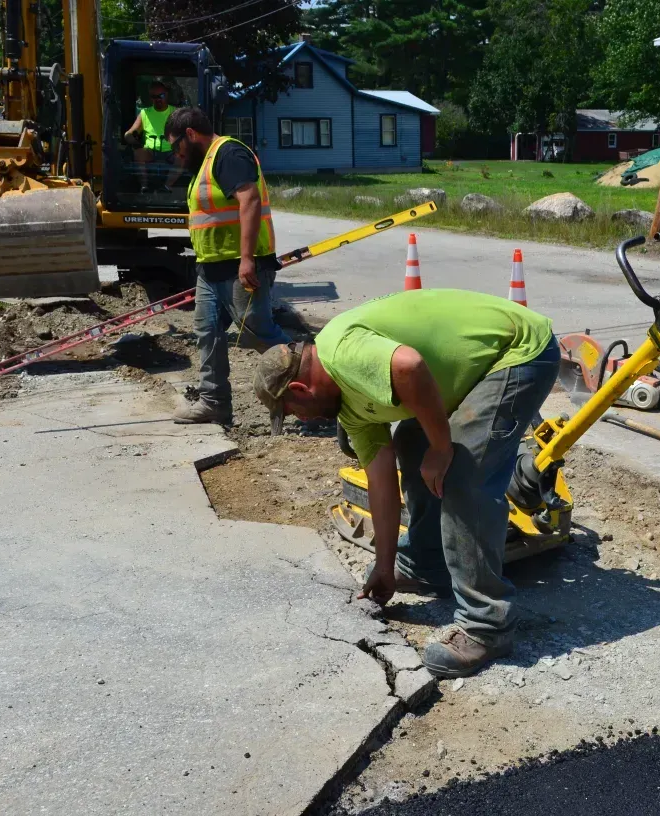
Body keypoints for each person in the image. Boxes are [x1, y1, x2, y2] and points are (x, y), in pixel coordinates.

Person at [252, 289, 560, 677]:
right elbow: (381, 481)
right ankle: (425, 563)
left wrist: (443, 447)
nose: (302, 421)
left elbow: (409, 365)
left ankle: (487, 625)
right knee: (412, 442)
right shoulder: (348, 409)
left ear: (300, 390)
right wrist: (385, 565)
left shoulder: (341, 352)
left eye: (293, 412)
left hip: (518, 352)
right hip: (478, 364)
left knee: (465, 471)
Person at [166, 106, 292, 426]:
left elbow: (249, 200)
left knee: (258, 333)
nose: (176, 152)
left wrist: (247, 258)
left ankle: (316, 382)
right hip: (211, 268)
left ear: (190, 135)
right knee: (207, 333)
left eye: (176, 144)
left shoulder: (228, 154)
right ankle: (214, 402)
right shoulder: (205, 163)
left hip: (239, 265)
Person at [123, 81, 181, 193]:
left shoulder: (176, 113)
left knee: (182, 157)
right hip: (150, 152)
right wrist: (131, 138)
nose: (158, 99)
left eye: (161, 96)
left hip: (171, 152)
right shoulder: (145, 113)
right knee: (138, 154)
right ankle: (145, 187)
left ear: (167, 95)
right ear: (150, 98)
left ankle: (167, 187)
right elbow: (130, 133)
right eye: (154, 97)